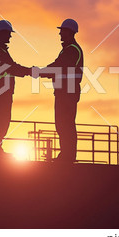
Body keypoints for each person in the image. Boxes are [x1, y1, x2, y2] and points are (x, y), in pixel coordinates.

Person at [37, 19, 83, 163]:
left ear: (69, 32)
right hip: (64, 92)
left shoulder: (72, 50)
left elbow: (58, 67)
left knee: (66, 124)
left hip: (67, 93)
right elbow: (58, 67)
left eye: (62, 30)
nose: (60, 33)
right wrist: (41, 72)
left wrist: (39, 72)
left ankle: (67, 156)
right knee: (62, 124)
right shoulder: (68, 49)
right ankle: (66, 155)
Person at [0, 20, 32, 159]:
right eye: (8, 34)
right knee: (0, 119)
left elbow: (11, 67)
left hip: (3, 90)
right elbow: (12, 67)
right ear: (1, 33)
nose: (10, 37)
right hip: (1, 91)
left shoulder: (0, 50)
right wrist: (30, 71)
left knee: (3, 119)